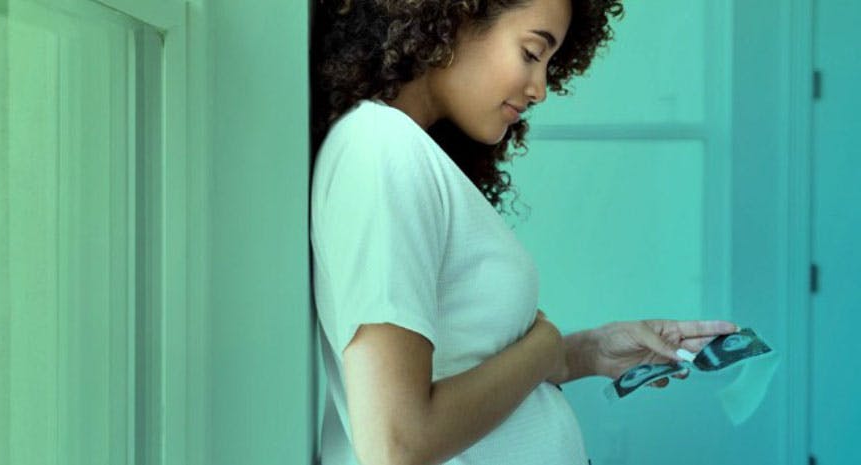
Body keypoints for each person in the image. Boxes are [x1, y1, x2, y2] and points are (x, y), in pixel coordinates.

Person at [308, 1, 739, 464]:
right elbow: (397, 442)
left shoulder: (405, 152)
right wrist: (544, 347)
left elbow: (465, 368)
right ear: (453, 20)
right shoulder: (380, 151)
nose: (541, 90)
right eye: (533, 53)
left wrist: (585, 353)